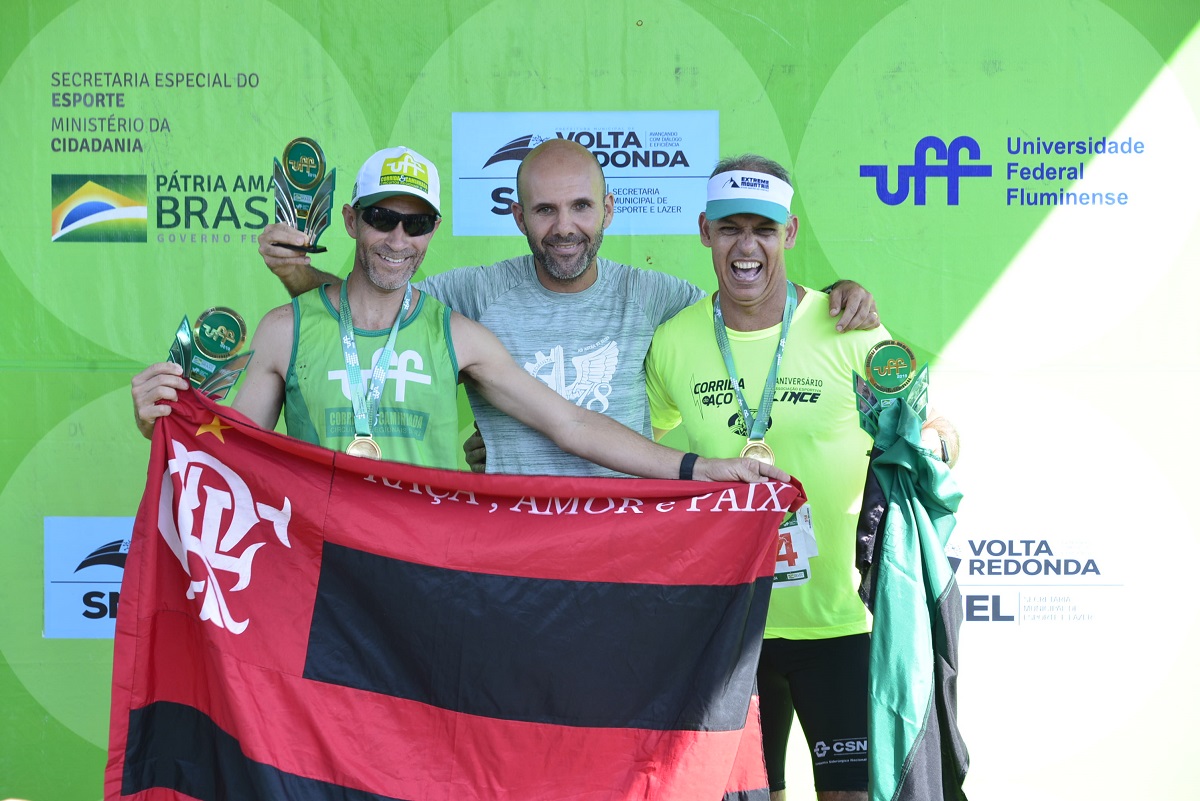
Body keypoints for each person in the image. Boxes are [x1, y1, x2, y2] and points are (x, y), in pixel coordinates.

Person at [133, 145, 788, 486]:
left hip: (465, 557)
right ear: (351, 221)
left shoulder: (456, 330)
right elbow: (231, 450)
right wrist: (167, 421)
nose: (397, 237)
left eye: (414, 222)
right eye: (383, 218)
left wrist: (837, 298)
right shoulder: (294, 326)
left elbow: (569, 422)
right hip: (331, 561)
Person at [259, 139, 881, 476]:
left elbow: (752, 307)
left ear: (608, 211)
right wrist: (297, 272)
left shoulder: (658, 298)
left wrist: (834, 296)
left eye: (581, 207)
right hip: (512, 550)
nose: (565, 228)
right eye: (546, 210)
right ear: (517, 216)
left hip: (627, 548)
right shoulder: (471, 295)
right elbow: (372, 304)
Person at [644, 154, 959, 801]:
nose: (746, 246)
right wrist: (508, 453)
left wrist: (930, 447)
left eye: (763, 228)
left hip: (840, 626)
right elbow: (622, 448)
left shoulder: (848, 328)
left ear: (787, 233)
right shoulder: (675, 342)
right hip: (732, 628)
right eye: (730, 228)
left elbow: (936, 429)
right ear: (704, 231)